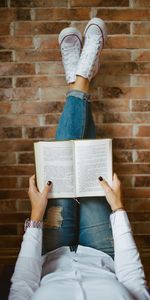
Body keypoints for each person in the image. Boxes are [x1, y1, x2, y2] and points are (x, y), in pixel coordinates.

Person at [8, 18, 150, 300]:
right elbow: (134, 282)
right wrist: (118, 208)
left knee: (64, 155)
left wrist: (36, 216)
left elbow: (22, 284)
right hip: (101, 254)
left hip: (49, 250)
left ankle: (80, 78)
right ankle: (80, 77)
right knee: (87, 161)